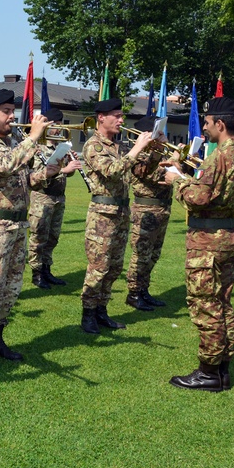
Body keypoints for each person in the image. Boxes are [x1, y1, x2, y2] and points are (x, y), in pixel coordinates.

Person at [0, 89, 79, 369]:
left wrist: (48, 173)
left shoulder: (12, 140)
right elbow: (4, 166)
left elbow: (23, 179)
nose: (11, 116)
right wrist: (33, 137)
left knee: (11, 287)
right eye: (5, 111)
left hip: (17, 223)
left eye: (12, 111)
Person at [164, 96, 234, 392]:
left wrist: (176, 179)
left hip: (208, 242)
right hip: (228, 236)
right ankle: (223, 367)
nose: (204, 127)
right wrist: (186, 174)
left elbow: (200, 198)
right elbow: (217, 192)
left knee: (205, 303)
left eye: (207, 122)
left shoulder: (220, 157)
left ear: (221, 124)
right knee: (222, 302)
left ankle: (208, 372)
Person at [80, 98, 154, 334]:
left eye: (122, 116)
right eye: (117, 116)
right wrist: (136, 149)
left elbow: (140, 172)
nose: (122, 121)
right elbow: (111, 172)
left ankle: (102, 310)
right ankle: (88, 313)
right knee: (98, 267)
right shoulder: (94, 145)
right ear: (102, 117)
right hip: (102, 215)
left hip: (121, 212)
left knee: (114, 267)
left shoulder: (119, 146)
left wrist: (153, 152)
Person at [26, 108, 80, 289]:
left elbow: (64, 175)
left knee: (53, 237)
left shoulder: (61, 146)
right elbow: (37, 174)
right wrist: (64, 169)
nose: (57, 129)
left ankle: (47, 270)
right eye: (54, 125)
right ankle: (36, 273)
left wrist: (70, 168)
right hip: (42, 197)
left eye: (58, 125)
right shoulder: (37, 147)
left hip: (58, 197)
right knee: (38, 236)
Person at [124, 114, 173, 310]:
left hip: (162, 208)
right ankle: (134, 293)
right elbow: (150, 174)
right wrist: (163, 155)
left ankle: (144, 289)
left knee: (154, 254)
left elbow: (175, 172)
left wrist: (182, 159)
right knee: (141, 254)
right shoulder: (138, 155)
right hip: (145, 209)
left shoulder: (160, 152)